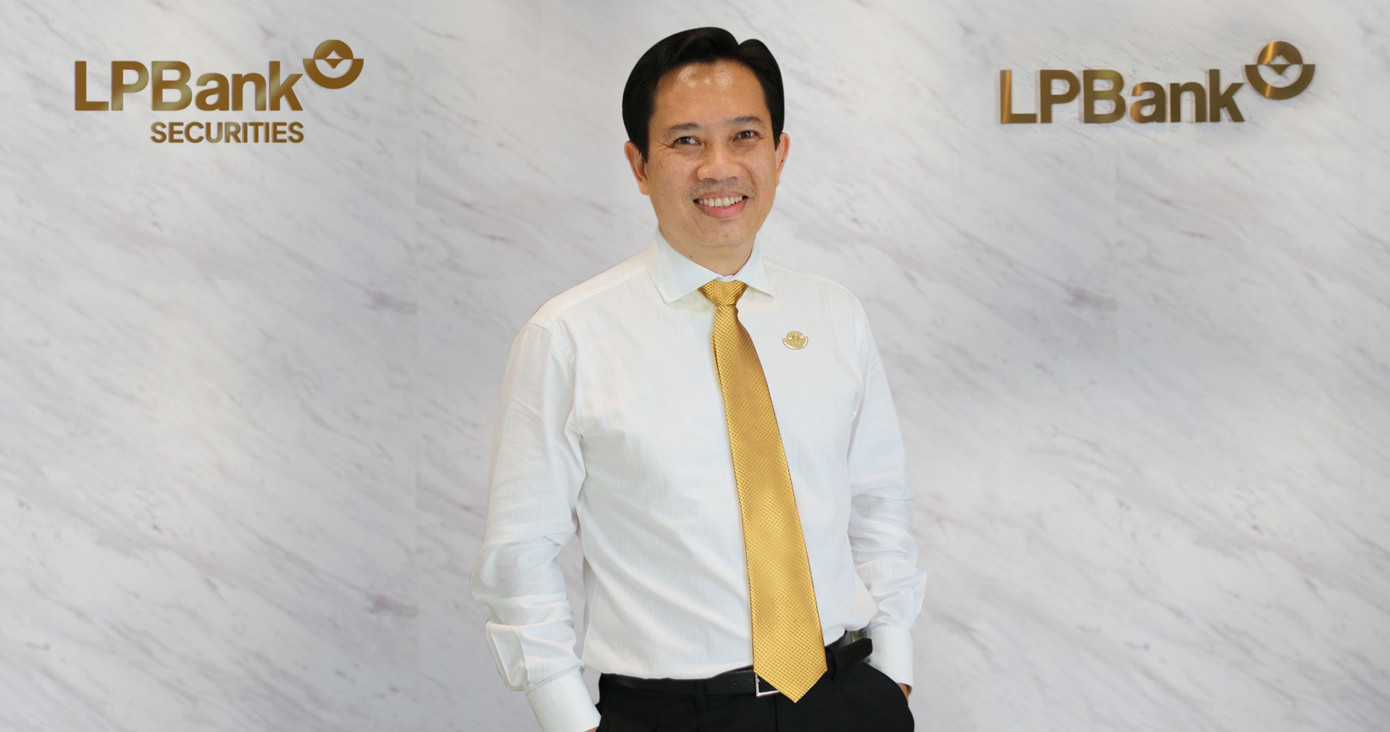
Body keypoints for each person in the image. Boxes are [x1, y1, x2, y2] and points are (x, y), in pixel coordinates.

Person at [471, 27, 926, 732]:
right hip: (673, 714)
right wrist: (570, 721)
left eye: (745, 136)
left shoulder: (835, 315)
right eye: (686, 141)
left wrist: (892, 670)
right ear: (639, 164)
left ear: (779, 152)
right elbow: (518, 553)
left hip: (846, 699)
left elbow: (879, 505)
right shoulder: (569, 335)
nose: (719, 167)